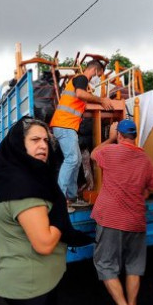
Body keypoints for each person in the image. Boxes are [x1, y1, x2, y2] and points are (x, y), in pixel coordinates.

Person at [0, 116, 91, 305]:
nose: (43, 145)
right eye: (35, 140)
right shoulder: (22, 186)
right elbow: (44, 243)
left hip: (35, 281)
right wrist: (59, 213)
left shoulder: (15, 178)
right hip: (32, 285)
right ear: (19, 145)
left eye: (45, 140)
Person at [90, 119, 153, 305]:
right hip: (136, 220)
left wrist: (109, 138)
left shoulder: (111, 152)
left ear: (119, 135)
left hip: (110, 218)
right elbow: (148, 190)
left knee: (105, 264)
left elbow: (93, 154)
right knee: (134, 266)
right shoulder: (146, 160)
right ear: (134, 136)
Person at [49, 59, 114, 210]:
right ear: (96, 71)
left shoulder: (80, 81)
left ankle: (71, 197)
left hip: (66, 125)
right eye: (100, 75)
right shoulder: (82, 79)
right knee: (72, 160)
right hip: (64, 125)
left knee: (76, 160)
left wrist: (97, 101)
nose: (98, 78)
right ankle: (59, 200)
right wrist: (101, 100)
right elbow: (80, 94)